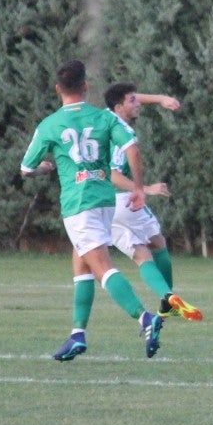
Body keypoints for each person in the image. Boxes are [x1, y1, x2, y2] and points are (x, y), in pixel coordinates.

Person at [20, 59, 169, 361]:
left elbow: (26, 167)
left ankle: (145, 319)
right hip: (104, 201)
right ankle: (77, 335)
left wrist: (44, 168)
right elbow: (133, 149)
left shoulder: (49, 125)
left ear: (57, 89)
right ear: (86, 86)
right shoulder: (105, 118)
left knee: (102, 267)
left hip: (78, 205)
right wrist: (139, 188)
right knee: (81, 265)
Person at [104, 81, 202, 322]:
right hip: (125, 201)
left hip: (103, 205)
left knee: (140, 256)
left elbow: (129, 99)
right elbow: (113, 173)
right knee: (158, 243)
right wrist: (146, 188)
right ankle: (168, 300)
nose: (137, 104)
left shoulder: (104, 117)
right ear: (119, 107)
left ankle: (167, 300)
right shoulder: (120, 132)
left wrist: (159, 98)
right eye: (132, 101)